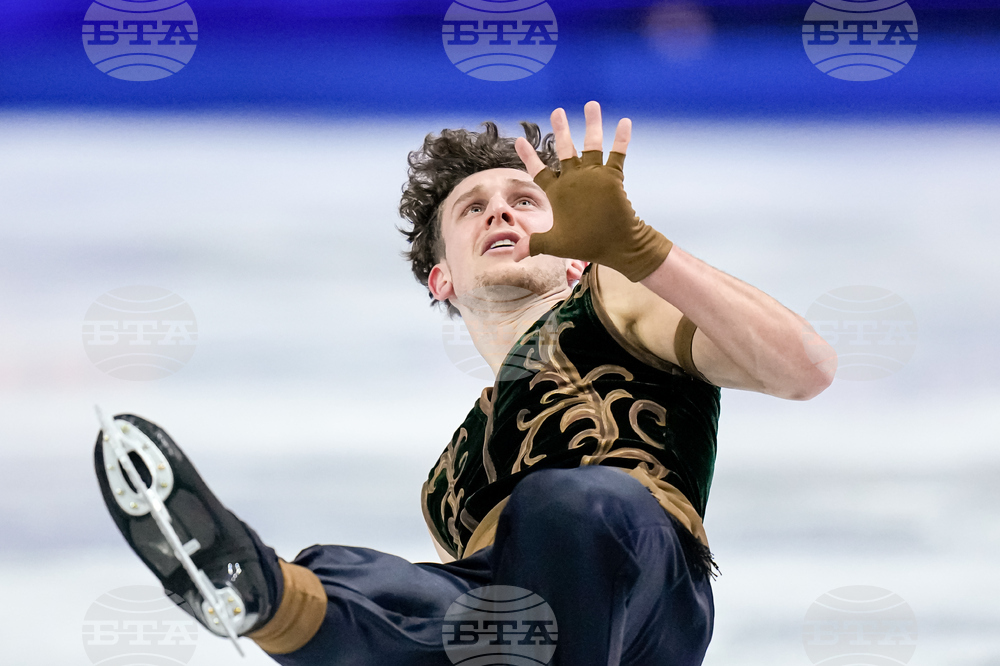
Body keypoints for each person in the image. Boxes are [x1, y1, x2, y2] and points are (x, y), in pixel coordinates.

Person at [94, 101, 837, 666]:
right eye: (472, 209)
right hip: (531, 624)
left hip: (649, 590)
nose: (501, 212)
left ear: (573, 255)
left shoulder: (615, 296)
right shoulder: (446, 483)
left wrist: (640, 250)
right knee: (353, 577)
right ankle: (268, 597)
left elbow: (806, 369)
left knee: (566, 504)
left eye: (523, 199)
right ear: (443, 277)